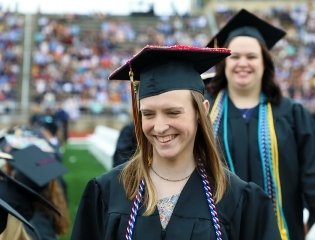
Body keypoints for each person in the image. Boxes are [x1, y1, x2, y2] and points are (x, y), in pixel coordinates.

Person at [72, 45, 281, 239]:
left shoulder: (239, 200)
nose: (160, 126)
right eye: (148, 114)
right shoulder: (107, 192)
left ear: (202, 112)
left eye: (173, 112)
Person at [205, 9, 315, 240]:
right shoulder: (204, 112)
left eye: (251, 56)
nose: (242, 63)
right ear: (223, 63)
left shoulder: (291, 114)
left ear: (265, 62)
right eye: (234, 56)